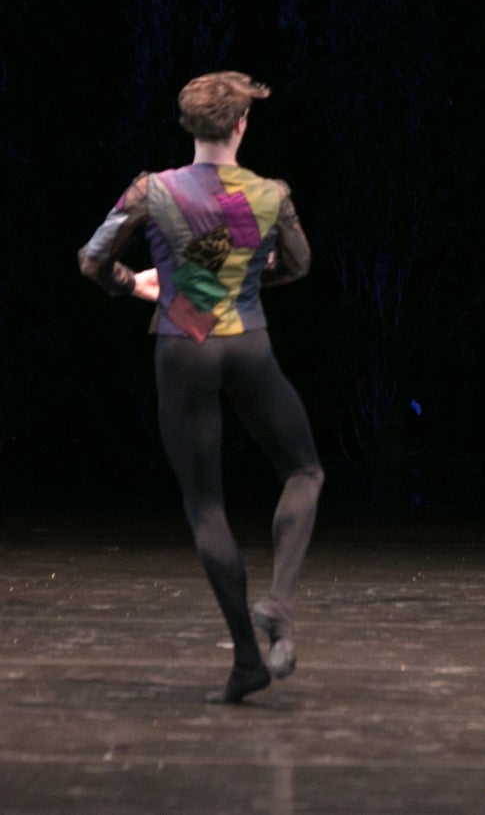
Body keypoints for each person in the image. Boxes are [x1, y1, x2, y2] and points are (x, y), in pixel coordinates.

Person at [79, 71, 324, 703]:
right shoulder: (270, 194)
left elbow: (92, 259)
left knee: (206, 506)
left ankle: (247, 657)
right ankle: (278, 603)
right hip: (248, 341)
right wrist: (244, 280)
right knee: (304, 471)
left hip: (182, 345)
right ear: (242, 125)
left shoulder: (152, 190)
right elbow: (296, 265)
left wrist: (139, 286)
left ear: (189, 126)